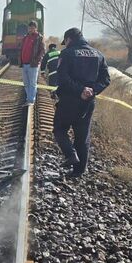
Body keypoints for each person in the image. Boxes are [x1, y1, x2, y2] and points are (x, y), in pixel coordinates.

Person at [54, 28, 110, 178]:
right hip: (88, 102)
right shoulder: (98, 54)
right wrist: (91, 90)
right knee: (82, 136)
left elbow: (63, 78)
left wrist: (80, 90)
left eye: (65, 42)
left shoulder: (67, 53)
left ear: (69, 39)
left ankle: (71, 154)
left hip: (69, 100)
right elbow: (106, 80)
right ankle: (79, 171)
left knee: (59, 129)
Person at [19, 20, 45, 105]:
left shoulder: (39, 37)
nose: (31, 29)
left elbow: (42, 50)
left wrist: (38, 60)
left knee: (32, 83)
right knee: (26, 83)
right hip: (24, 63)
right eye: (29, 28)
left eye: (32, 28)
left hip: (33, 64)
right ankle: (28, 98)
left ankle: (31, 100)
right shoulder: (25, 37)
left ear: (36, 28)